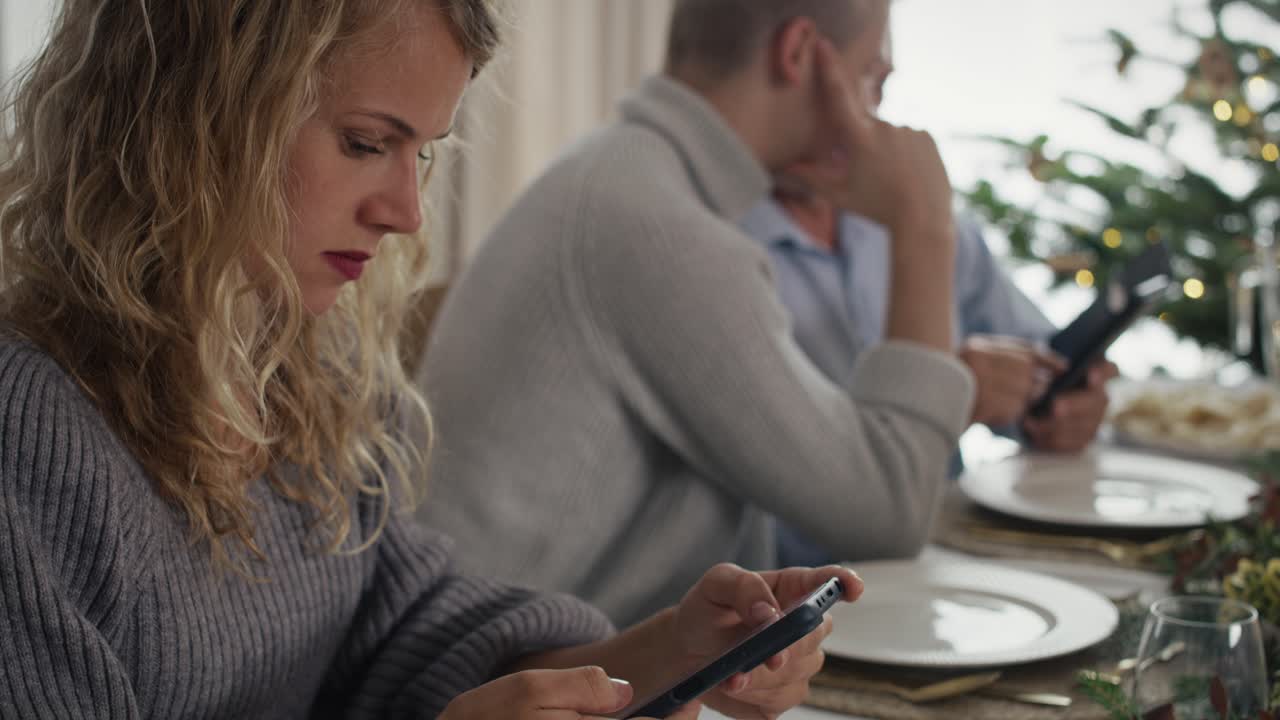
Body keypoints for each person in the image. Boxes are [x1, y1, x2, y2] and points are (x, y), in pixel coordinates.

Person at [0, 1, 860, 718]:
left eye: (424, 153)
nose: (408, 212)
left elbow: (407, 628)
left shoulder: (296, 363)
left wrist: (671, 648)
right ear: (194, 117)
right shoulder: (29, 433)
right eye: (368, 143)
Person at [419, 0, 975, 628]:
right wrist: (925, 225)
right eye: (872, 78)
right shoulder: (654, 224)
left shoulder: (623, 177)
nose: (877, 115)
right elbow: (888, 512)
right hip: (497, 686)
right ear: (798, 54)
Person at [743, 26, 1116, 566]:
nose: (882, 97)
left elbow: (1042, 357)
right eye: (871, 71)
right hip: (802, 592)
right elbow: (790, 481)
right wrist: (945, 393)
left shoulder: (931, 227)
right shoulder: (721, 246)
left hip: (950, 559)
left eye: (885, 76)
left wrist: (1061, 405)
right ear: (799, 65)